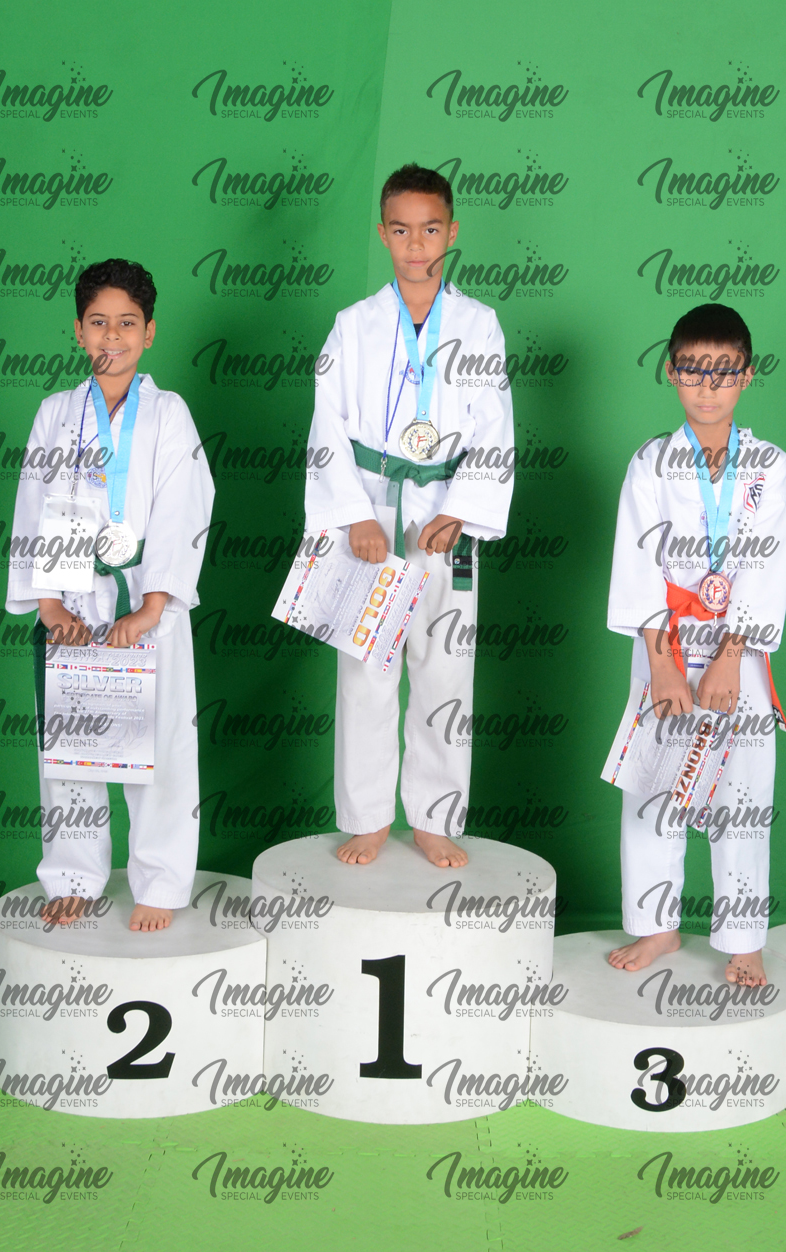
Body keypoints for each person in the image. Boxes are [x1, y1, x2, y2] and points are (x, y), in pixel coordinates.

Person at [304, 163, 514, 868]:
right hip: (370, 512)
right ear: (383, 234)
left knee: (445, 672)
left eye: (429, 230)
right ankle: (367, 817)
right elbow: (326, 425)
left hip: (444, 514)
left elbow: (495, 426)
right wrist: (353, 514)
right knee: (365, 672)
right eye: (401, 230)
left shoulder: (479, 325)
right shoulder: (354, 325)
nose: (415, 244)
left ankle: (433, 817)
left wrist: (463, 510)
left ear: (451, 233)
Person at [6, 259, 215, 930]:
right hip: (74, 601)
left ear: (149, 333)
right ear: (78, 330)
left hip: (148, 604)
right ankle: (72, 875)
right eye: (98, 322)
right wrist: (50, 603)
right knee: (72, 749)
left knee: (162, 748)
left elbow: (185, 505)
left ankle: (161, 881)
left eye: (127, 323)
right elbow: (37, 501)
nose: (112, 336)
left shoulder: (169, 414)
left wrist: (152, 605)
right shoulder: (56, 413)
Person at [606, 303, 786, 985]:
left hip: (737, 650)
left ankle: (743, 937)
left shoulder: (769, 465)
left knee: (742, 792)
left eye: (723, 372)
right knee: (655, 785)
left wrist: (729, 658)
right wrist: (663, 668)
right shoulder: (651, 463)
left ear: (747, 375)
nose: (707, 387)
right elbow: (638, 564)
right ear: (670, 372)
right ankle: (656, 926)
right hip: (665, 640)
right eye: (692, 370)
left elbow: (769, 560)